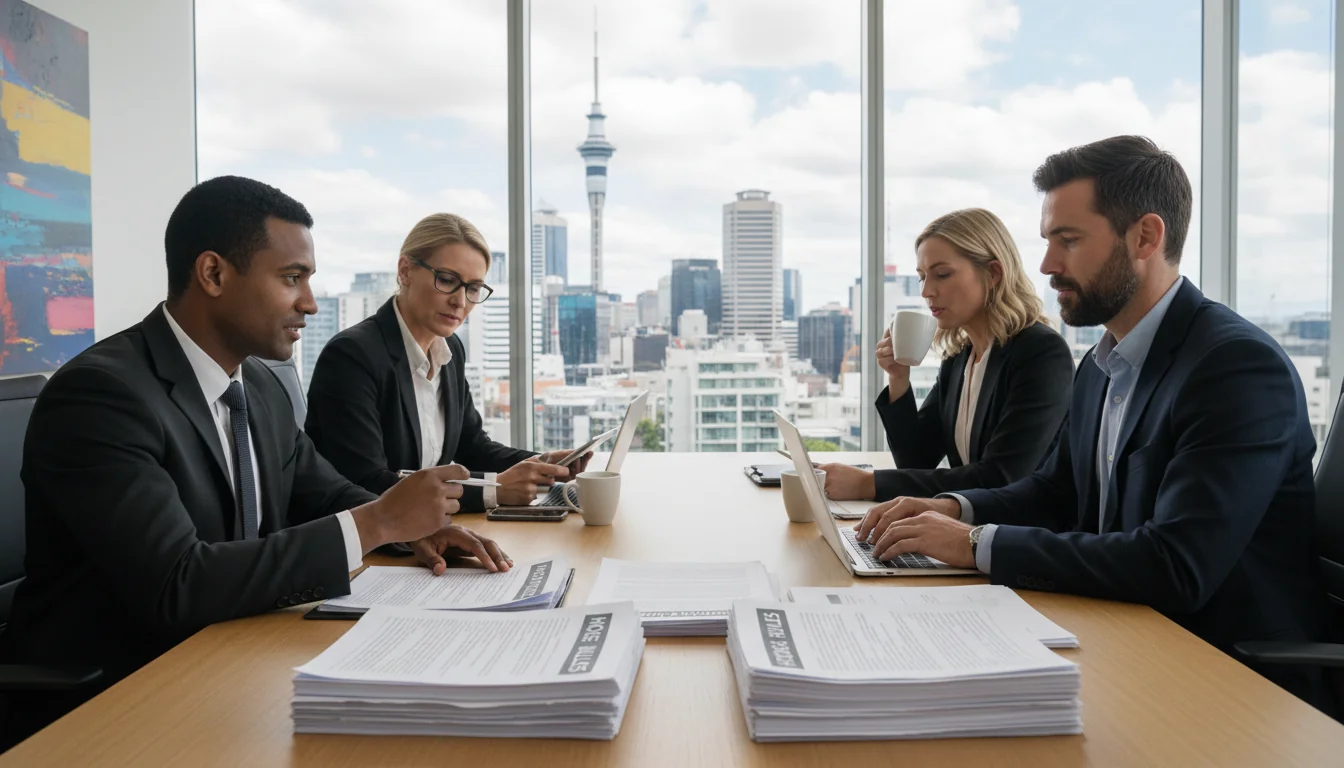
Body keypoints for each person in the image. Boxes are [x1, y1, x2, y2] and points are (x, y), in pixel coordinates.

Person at [0, 177, 510, 745]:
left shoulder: (260, 387)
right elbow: (179, 583)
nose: (311, 304)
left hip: (233, 659)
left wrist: (414, 530)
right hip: (117, 697)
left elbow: (326, 492)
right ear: (214, 274)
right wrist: (378, 523)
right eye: (292, 279)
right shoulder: (103, 396)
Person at [854, 136, 1331, 712]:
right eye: (1048, 241)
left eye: (1069, 241)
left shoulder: (1234, 367)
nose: (1049, 265)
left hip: (1222, 676)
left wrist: (974, 543)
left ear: (1145, 238)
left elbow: (1176, 565)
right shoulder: (1103, 363)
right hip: (1124, 636)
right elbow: (1055, 491)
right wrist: (954, 509)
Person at [304, 213, 589, 511]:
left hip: (425, 532)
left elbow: (472, 446)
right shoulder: (352, 356)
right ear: (406, 271)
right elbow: (366, 482)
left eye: (473, 288)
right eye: (448, 280)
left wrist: (542, 465)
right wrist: (494, 491)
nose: (460, 301)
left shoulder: (450, 349)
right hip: (369, 544)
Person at [818, 208, 1073, 502]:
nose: (926, 291)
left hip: (1020, 538)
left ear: (992, 273)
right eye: (922, 277)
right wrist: (898, 378)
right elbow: (916, 462)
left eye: (942, 274)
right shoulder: (959, 358)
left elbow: (1001, 477)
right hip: (967, 529)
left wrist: (868, 484)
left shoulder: (1041, 353)